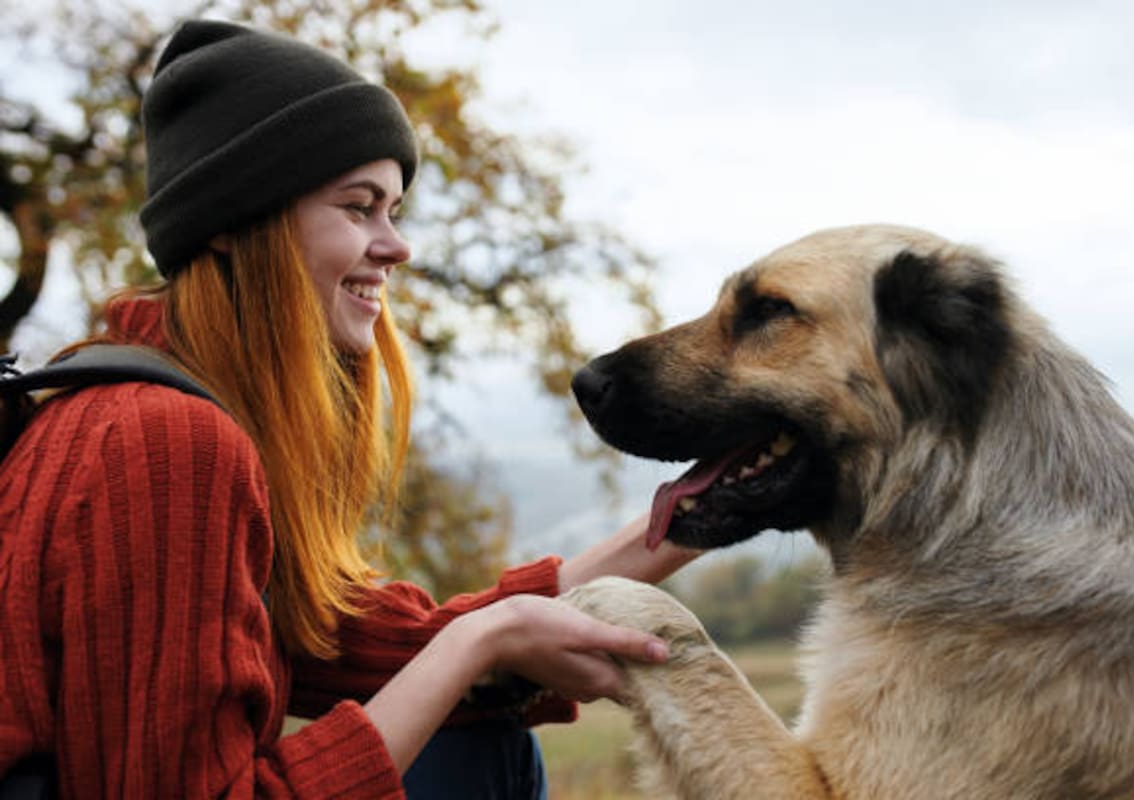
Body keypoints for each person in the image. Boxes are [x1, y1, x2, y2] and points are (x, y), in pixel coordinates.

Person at [0, 19, 700, 799]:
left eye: (394, 209)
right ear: (237, 224)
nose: (396, 246)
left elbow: (374, 641)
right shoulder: (164, 442)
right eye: (359, 207)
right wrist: (482, 640)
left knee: (479, 742)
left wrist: (707, 510)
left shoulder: (149, 412)